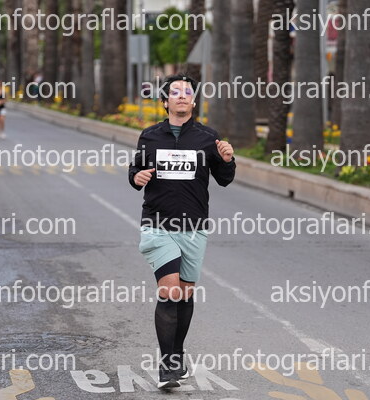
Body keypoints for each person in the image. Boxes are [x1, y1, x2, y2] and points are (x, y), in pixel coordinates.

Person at [129, 75, 236, 389]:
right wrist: (137, 177)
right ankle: (167, 367)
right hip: (157, 224)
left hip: (194, 227)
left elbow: (225, 179)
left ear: (193, 101)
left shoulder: (207, 137)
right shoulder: (150, 136)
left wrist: (228, 160)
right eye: (174, 92)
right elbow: (135, 171)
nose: (181, 96)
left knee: (185, 293)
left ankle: (177, 355)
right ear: (165, 101)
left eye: (187, 92)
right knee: (170, 291)